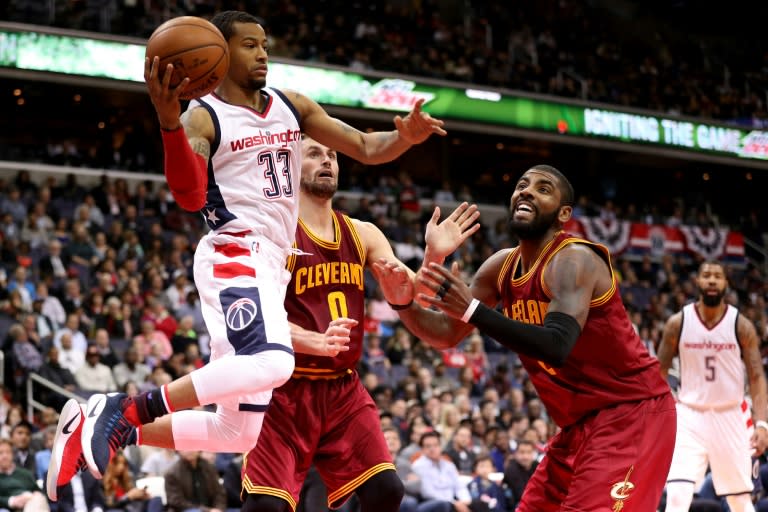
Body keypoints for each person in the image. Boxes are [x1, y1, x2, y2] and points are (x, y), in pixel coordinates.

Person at [47, 8, 446, 500]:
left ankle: (113, 429)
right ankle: (126, 409)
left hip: (272, 263)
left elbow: (365, 145)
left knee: (240, 432)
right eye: (249, 45)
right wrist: (170, 123)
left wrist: (404, 137)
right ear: (217, 53)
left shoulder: (291, 105)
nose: (262, 54)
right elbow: (190, 197)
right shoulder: (204, 115)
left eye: (264, 45)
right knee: (273, 363)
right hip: (235, 249)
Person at [376, 164, 677, 511]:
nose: (527, 191)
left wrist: (473, 309)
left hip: (631, 414)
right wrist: (403, 301)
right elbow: (446, 333)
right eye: (522, 185)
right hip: (576, 426)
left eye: (543, 188)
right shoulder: (501, 266)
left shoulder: (575, 259)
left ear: (564, 213)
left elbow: (556, 345)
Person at [239, 135, 479, 512]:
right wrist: (315, 341)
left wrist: (433, 253)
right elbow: (257, 318)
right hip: (282, 389)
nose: (327, 161)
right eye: (315, 153)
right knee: (265, 508)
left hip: (342, 389)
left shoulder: (363, 233)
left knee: (387, 490)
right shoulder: (275, 233)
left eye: (333, 155)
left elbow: (408, 293)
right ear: (292, 166)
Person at [657, 260, 768, 512]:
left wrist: (762, 423)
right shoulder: (678, 323)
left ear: (725, 283)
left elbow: (757, 377)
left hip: (730, 415)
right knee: (676, 495)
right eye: (706, 275)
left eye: (717, 276)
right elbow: (658, 374)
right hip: (689, 415)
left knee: (739, 500)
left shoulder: (741, 325)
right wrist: (655, 418)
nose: (711, 280)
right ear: (697, 281)